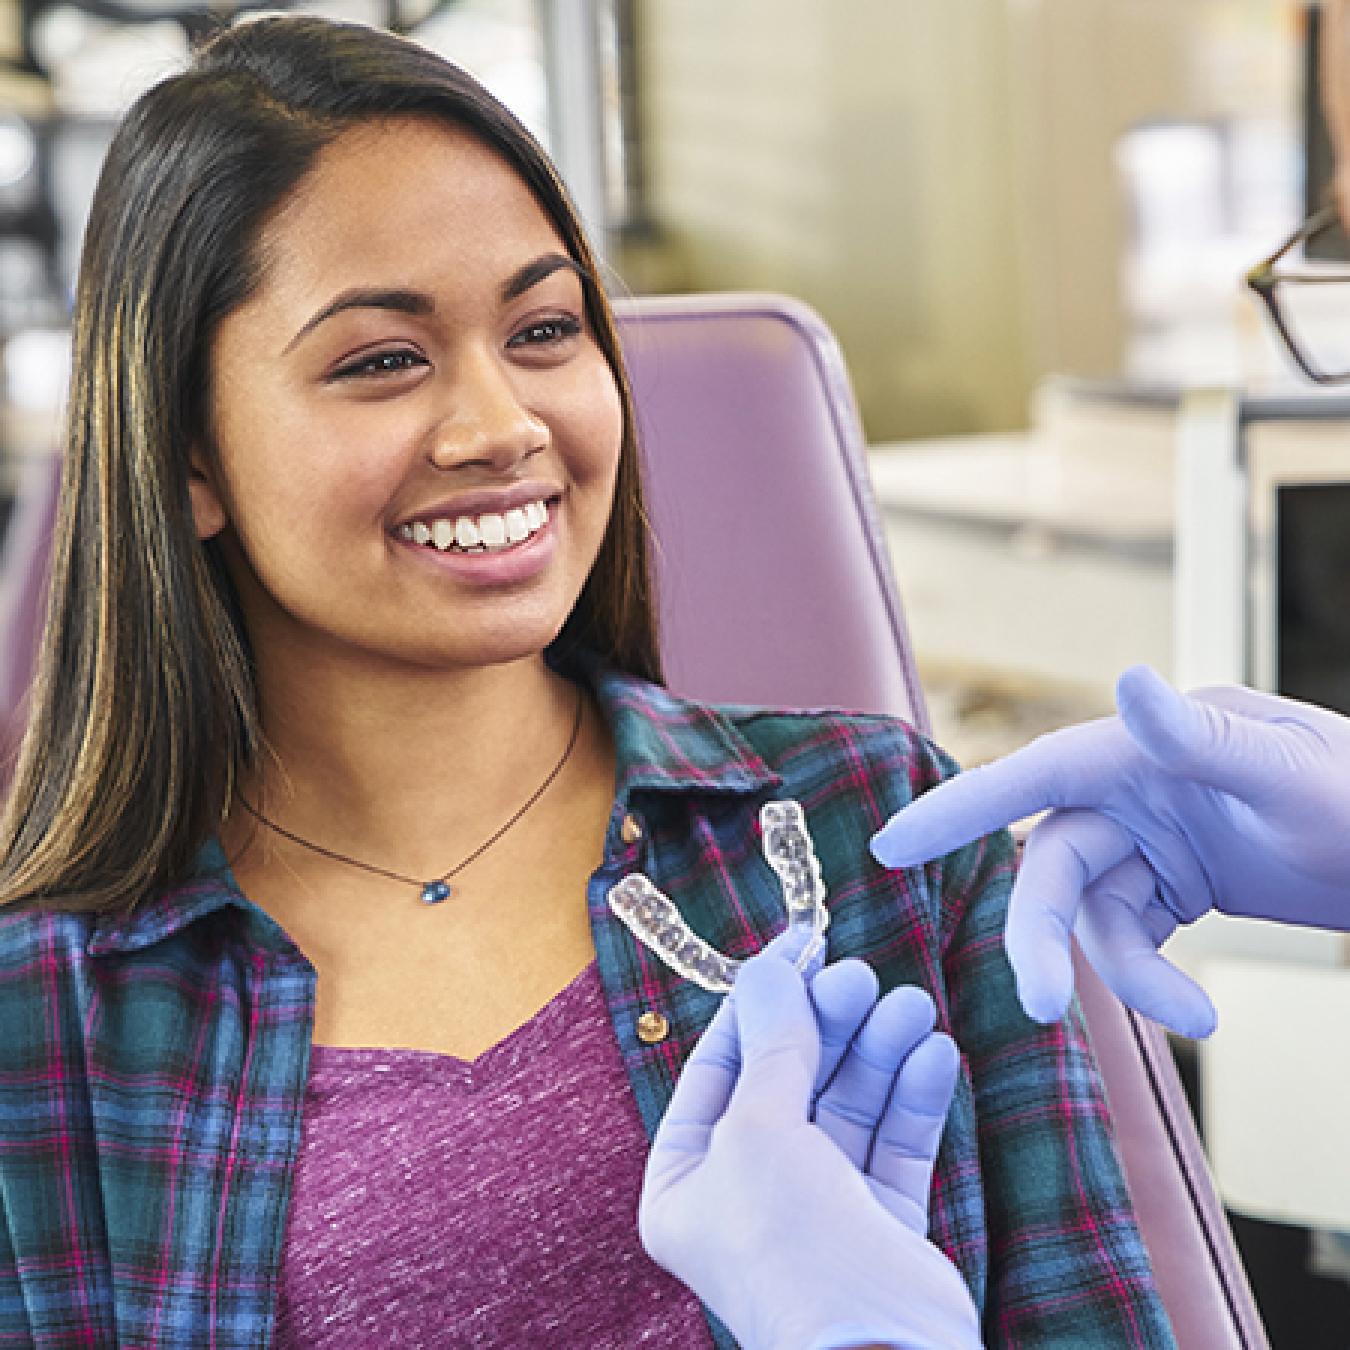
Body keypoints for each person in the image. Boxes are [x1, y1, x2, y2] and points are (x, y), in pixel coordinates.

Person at [0, 14, 1170, 1348]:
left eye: (546, 327)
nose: (503, 426)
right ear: (187, 456)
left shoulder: (882, 833)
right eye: (382, 359)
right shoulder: (48, 1003)